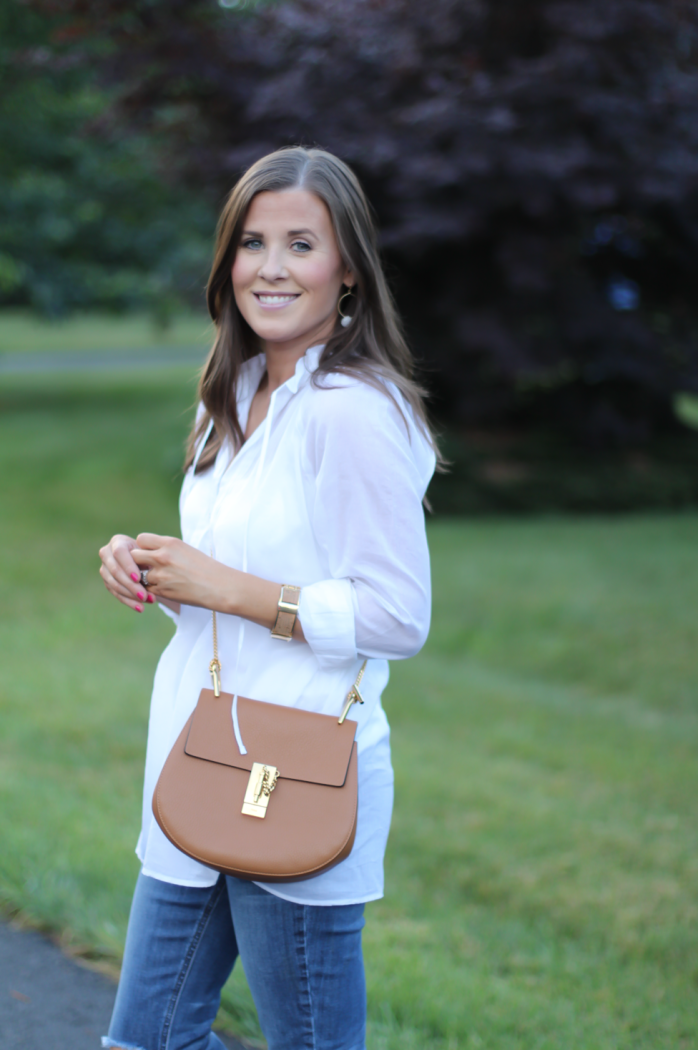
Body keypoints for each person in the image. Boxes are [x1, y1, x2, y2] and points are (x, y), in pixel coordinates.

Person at [98, 146, 438, 1050]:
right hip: (198, 757)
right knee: (147, 1041)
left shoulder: (354, 410)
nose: (272, 267)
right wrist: (156, 571)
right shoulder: (232, 394)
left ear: (349, 271)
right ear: (227, 262)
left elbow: (398, 615)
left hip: (295, 773)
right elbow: (227, 587)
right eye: (253, 242)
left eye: (301, 244)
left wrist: (232, 589)